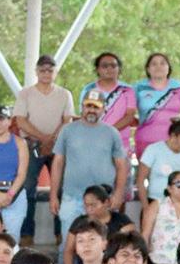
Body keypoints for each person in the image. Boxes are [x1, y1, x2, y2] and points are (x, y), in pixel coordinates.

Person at [53, 92, 128, 239]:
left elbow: (121, 165)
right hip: (72, 197)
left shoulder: (112, 133)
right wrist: (53, 195)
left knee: (102, 242)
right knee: (68, 243)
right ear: (82, 107)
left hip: (102, 200)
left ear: (103, 109)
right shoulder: (67, 130)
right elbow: (57, 163)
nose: (91, 110)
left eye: (96, 107)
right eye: (88, 106)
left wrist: (119, 193)